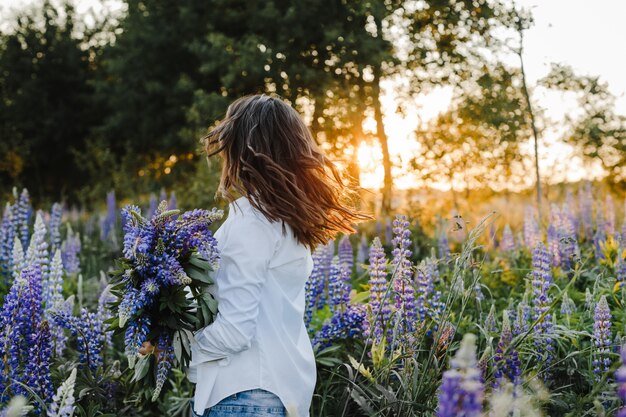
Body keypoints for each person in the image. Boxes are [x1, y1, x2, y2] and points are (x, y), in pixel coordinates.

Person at [141, 94, 368, 417]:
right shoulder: (288, 221)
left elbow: (235, 331)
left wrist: (173, 345)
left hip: (243, 394)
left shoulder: (251, 221)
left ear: (244, 151)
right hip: (278, 390)